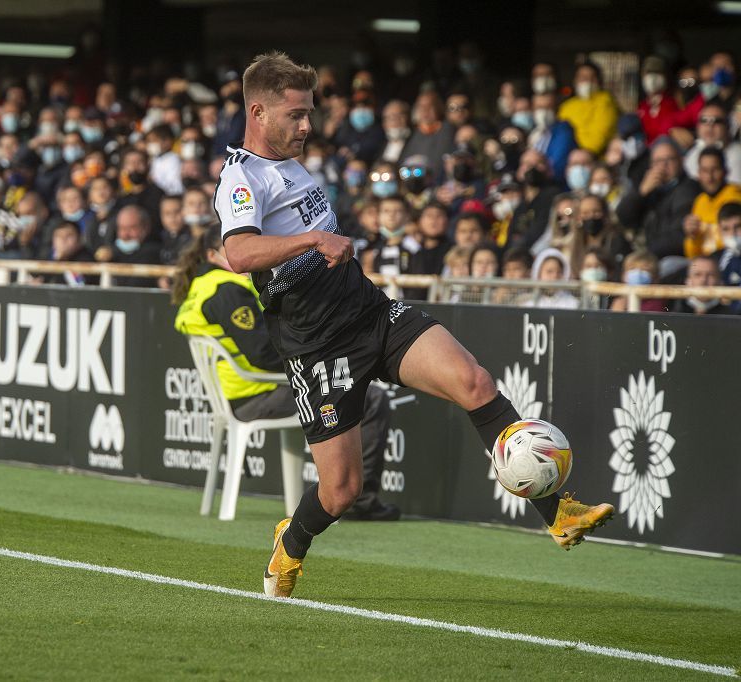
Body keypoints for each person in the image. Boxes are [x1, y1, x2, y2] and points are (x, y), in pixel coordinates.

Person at [215, 52, 614, 599]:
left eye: (309, 113)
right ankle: (292, 540)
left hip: (372, 314)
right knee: (341, 491)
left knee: (473, 382)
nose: (308, 126)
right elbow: (237, 252)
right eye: (296, 116)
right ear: (257, 112)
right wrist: (313, 240)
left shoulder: (294, 164)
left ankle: (558, 513)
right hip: (318, 347)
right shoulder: (240, 175)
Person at [172, 228, 401, 520]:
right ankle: (360, 499)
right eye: (232, 246)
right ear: (211, 255)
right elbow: (262, 354)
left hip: (239, 396)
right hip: (257, 394)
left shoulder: (201, 287)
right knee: (370, 397)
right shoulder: (226, 290)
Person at [670, 256, 735, 315]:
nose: (703, 280)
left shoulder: (732, 317)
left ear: (720, 282)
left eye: (710, 275)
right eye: (698, 275)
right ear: (688, 281)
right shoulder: (675, 312)